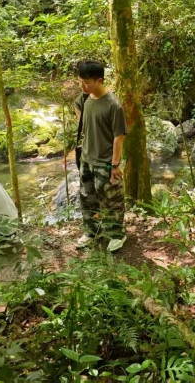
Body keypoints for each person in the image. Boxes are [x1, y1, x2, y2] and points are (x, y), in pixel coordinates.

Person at [74, 60, 127, 249]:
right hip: (86, 160)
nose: (82, 86)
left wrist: (115, 165)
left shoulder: (113, 105)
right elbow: (78, 110)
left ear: (100, 80)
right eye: (80, 81)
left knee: (111, 200)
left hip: (105, 162)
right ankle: (91, 231)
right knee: (87, 198)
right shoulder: (85, 99)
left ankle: (116, 235)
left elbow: (118, 137)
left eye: (86, 82)